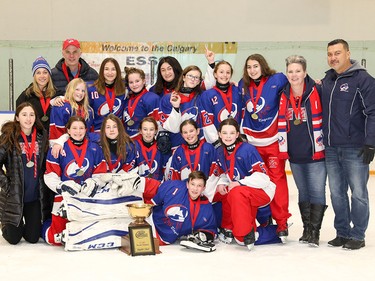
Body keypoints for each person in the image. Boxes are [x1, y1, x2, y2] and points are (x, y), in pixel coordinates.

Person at [321, 39, 375, 250]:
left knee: (358, 193)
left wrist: (370, 143)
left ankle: (358, 235)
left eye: (337, 53)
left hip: (355, 147)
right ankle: (342, 232)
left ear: (348, 53)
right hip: (332, 147)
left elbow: (373, 112)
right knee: (336, 192)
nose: (333, 57)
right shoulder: (328, 79)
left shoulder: (363, 79)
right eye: (330, 54)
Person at [239, 54, 290, 241]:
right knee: (255, 182)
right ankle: (264, 219)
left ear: (263, 66)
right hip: (252, 144)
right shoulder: (242, 85)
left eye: (256, 66)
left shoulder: (278, 79)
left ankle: (282, 222)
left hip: (273, 142)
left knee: (278, 182)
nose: (252, 70)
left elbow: (296, 82)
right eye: (249, 67)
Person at [278, 55, 327, 247]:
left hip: (315, 152)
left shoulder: (318, 89)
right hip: (295, 154)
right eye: (290, 71)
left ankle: (315, 232)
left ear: (305, 72)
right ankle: (307, 229)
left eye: (298, 71)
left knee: (316, 191)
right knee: (303, 191)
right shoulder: (283, 94)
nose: (294, 74)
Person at [42, 116, 108, 246]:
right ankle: (46, 222)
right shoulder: (58, 148)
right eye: (74, 128)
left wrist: (95, 182)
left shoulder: (94, 148)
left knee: (89, 236)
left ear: (86, 130)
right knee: (56, 239)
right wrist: (61, 186)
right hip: (65, 197)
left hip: (87, 196)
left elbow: (101, 173)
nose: (78, 131)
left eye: (81, 128)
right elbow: (50, 174)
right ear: (68, 130)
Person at [214, 118, 276, 250]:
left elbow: (264, 178)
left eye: (232, 133)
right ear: (219, 134)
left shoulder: (247, 149)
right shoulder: (220, 151)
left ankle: (246, 234)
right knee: (225, 191)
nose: (228, 136)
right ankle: (231, 228)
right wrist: (221, 183)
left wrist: (240, 183)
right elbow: (227, 174)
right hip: (243, 192)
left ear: (237, 134)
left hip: (262, 191)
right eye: (225, 133)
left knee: (235, 192)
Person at [0, 102, 48, 244]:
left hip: (33, 197)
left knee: (33, 238)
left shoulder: (41, 137)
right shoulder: (9, 137)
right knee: (13, 238)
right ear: (17, 118)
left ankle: (26, 222)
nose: (28, 118)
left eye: (32, 115)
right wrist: (6, 184)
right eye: (24, 114)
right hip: (14, 196)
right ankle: (8, 223)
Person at [150, 171, 217, 252]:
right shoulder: (174, 187)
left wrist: (204, 236)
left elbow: (210, 229)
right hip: (152, 224)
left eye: (199, 186)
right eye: (193, 184)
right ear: (187, 184)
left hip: (167, 240)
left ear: (203, 188)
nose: (195, 189)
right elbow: (152, 202)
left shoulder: (206, 207)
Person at [159, 65, 204, 150]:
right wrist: (176, 108)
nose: (193, 79)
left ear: (199, 82)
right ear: (183, 77)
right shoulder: (169, 98)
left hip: (198, 146)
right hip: (176, 146)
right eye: (190, 76)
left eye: (196, 77)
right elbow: (173, 128)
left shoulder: (202, 97)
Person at [199, 60, 243, 145]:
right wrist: (216, 141)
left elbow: (243, 115)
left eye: (228, 72)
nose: (225, 75)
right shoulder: (207, 95)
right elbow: (207, 121)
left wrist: (240, 136)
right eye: (221, 72)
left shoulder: (237, 91)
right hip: (218, 141)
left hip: (237, 139)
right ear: (215, 74)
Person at [149, 47, 216, 96]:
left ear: (175, 68)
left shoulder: (188, 83)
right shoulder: (154, 90)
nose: (167, 73)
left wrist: (211, 62)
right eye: (163, 70)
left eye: (169, 69)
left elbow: (208, 85)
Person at [17, 56, 58, 132]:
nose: (42, 76)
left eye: (45, 72)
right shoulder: (27, 95)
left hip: (52, 136)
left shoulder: (56, 93)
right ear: (34, 76)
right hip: (34, 136)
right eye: (38, 73)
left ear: (49, 75)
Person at [87, 57, 126, 132]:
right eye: (106, 69)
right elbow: (75, 96)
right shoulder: (91, 89)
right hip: (98, 131)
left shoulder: (124, 87)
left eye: (113, 69)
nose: (110, 72)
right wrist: (58, 98)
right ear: (102, 71)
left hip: (117, 131)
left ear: (117, 71)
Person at [123, 67, 160, 139]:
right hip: (128, 141)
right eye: (131, 82)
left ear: (143, 81)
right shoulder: (127, 99)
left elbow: (156, 124)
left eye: (137, 81)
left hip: (143, 141)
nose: (134, 85)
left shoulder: (152, 98)